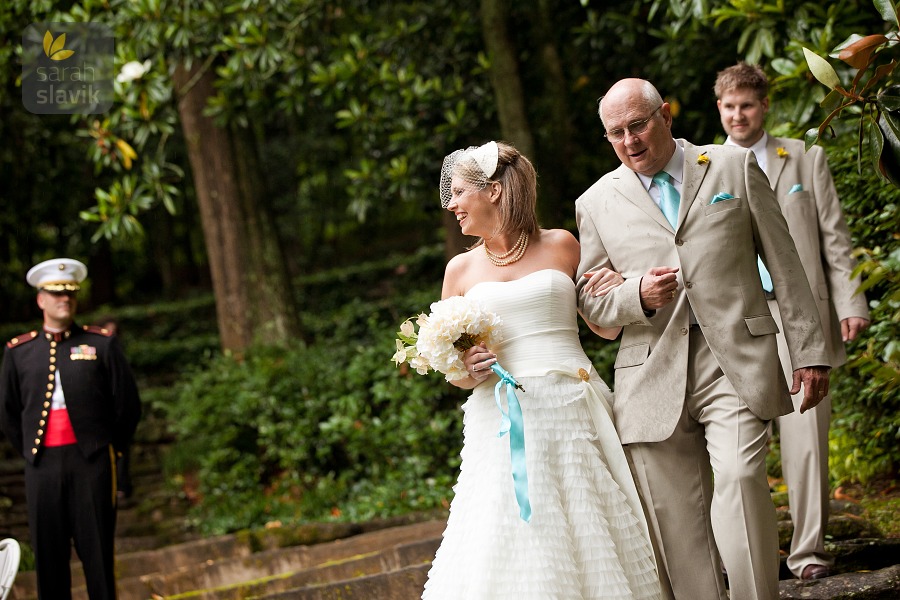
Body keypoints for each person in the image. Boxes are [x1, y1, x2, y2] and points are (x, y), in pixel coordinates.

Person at [575, 78, 831, 600]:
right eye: (616, 133)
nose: (629, 141)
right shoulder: (596, 201)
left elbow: (786, 264)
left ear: (665, 116)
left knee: (739, 479)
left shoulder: (731, 166)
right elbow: (593, 301)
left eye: (638, 124)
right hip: (649, 373)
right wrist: (637, 295)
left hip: (736, 360)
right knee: (678, 523)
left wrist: (809, 351)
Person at [421, 141, 661, 599]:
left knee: (592, 523)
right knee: (505, 531)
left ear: (492, 192)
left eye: (458, 193)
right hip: (500, 416)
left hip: (574, 408)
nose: (451, 205)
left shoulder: (563, 245)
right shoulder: (460, 269)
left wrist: (616, 285)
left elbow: (603, 328)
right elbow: (455, 373)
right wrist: (467, 367)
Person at [714, 62, 871, 581]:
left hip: (801, 316)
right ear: (720, 109)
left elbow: (834, 239)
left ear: (765, 107)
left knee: (805, 438)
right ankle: (746, 556)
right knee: (733, 442)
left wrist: (850, 303)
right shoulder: (705, 166)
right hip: (741, 319)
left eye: (748, 105)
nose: (739, 115)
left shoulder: (805, 159)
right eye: (729, 106)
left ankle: (807, 552)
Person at [0, 258, 142, 600]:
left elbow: (127, 405)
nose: (65, 299)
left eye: (70, 294)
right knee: (49, 555)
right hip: (42, 465)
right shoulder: (19, 353)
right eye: (55, 293)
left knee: (98, 553)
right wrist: (32, 455)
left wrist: (110, 449)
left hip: (91, 461)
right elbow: (8, 412)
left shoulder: (101, 345)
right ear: (41, 299)